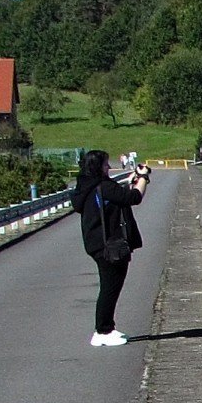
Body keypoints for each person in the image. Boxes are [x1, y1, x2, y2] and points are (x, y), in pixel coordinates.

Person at [73, 148, 149, 347]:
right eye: (106, 164)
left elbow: (117, 194)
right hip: (109, 246)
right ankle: (103, 330)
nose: (109, 167)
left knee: (109, 286)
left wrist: (131, 180)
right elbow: (133, 198)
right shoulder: (103, 186)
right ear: (98, 167)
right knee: (110, 287)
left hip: (97, 244)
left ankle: (106, 328)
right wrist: (143, 178)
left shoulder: (87, 187)